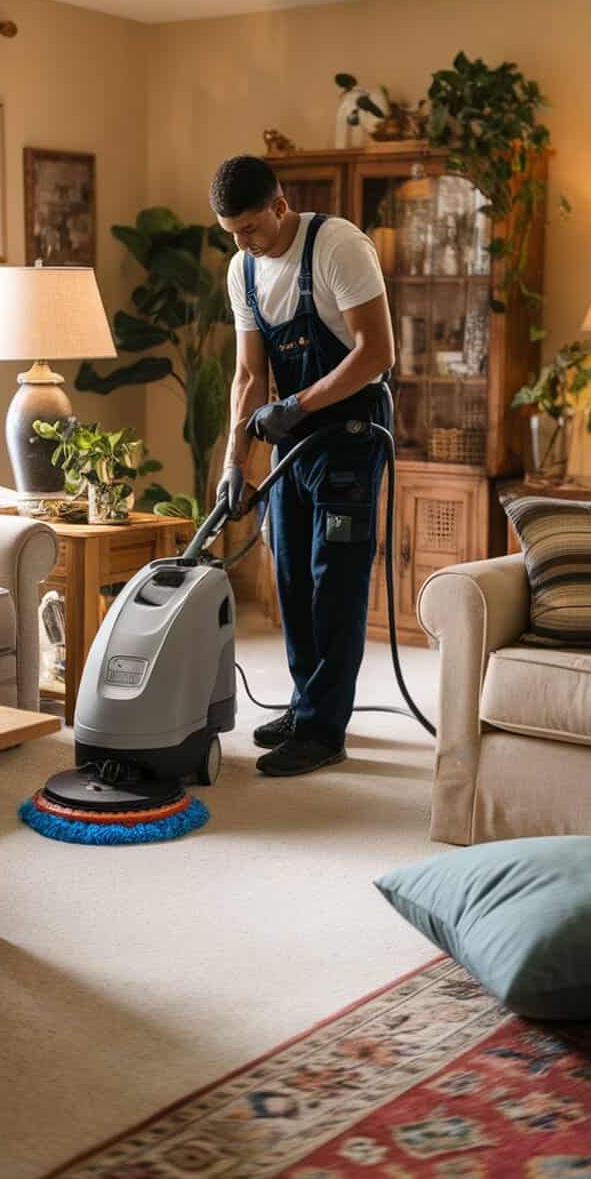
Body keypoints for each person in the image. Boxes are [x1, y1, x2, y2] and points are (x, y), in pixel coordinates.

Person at [211, 155, 395, 778]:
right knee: (291, 575)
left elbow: (376, 353)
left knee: (335, 581)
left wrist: (298, 405)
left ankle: (324, 730)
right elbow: (247, 375)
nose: (243, 243)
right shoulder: (244, 270)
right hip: (292, 442)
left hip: (349, 432)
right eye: (231, 232)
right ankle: (304, 703)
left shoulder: (338, 247)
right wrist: (235, 461)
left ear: (280, 207)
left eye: (251, 229)